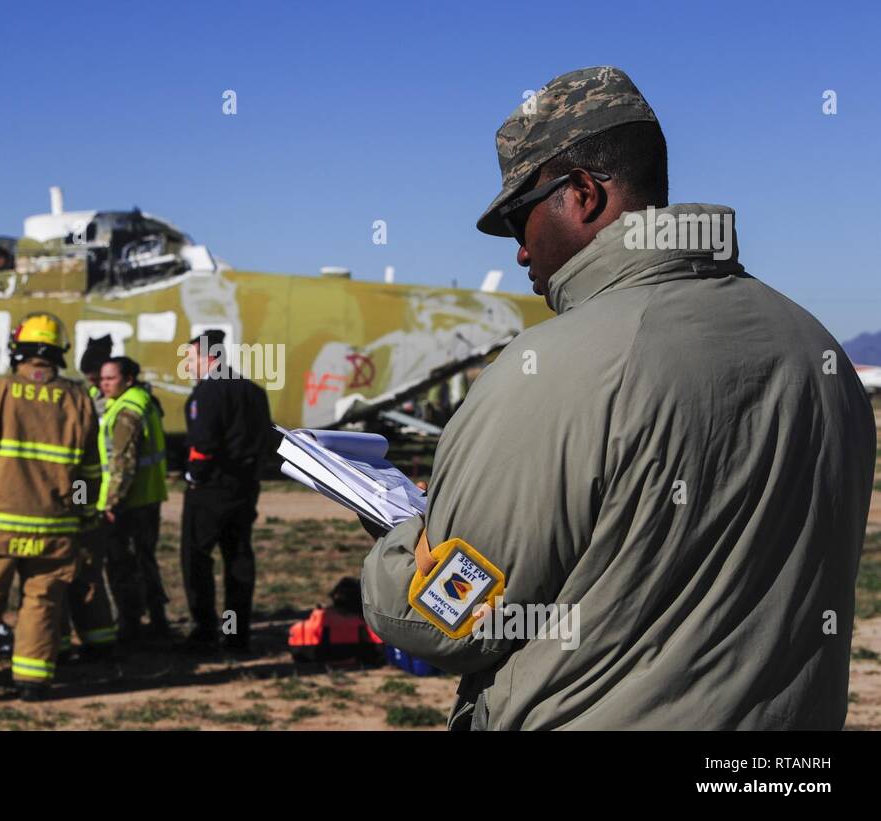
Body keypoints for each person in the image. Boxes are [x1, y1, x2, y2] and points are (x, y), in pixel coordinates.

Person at [360, 66, 876, 730]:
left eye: (521, 216)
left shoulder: (553, 368)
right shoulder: (819, 352)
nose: (520, 252)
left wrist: (395, 545)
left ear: (581, 194)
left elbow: (446, 619)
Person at [0, 313, 99, 702]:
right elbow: (88, 473)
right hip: (52, 525)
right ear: (59, 353)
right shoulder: (78, 399)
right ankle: (32, 682)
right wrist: (80, 513)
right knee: (42, 602)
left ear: (19, 351)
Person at [179, 330, 272, 652]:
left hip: (210, 490)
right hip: (244, 488)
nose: (188, 366)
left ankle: (204, 629)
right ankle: (235, 632)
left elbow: (203, 444)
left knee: (197, 558)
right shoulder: (254, 391)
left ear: (209, 358)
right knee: (237, 559)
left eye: (191, 359)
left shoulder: (207, 393)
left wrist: (194, 476)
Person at [98, 356, 170, 641]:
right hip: (149, 497)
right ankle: (157, 619)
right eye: (103, 378)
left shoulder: (127, 412)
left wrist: (112, 502)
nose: (104, 384)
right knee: (146, 561)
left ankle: (130, 624)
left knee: (123, 565)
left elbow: (122, 465)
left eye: (110, 378)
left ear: (128, 379)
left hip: (129, 502)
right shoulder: (145, 400)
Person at [57, 335, 118, 661]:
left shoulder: (77, 402)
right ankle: (99, 641)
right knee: (85, 575)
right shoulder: (81, 400)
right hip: (78, 504)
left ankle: (63, 645)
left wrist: (83, 506)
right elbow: (88, 471)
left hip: (58, 508)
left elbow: (86, 469)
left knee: (53, 582)